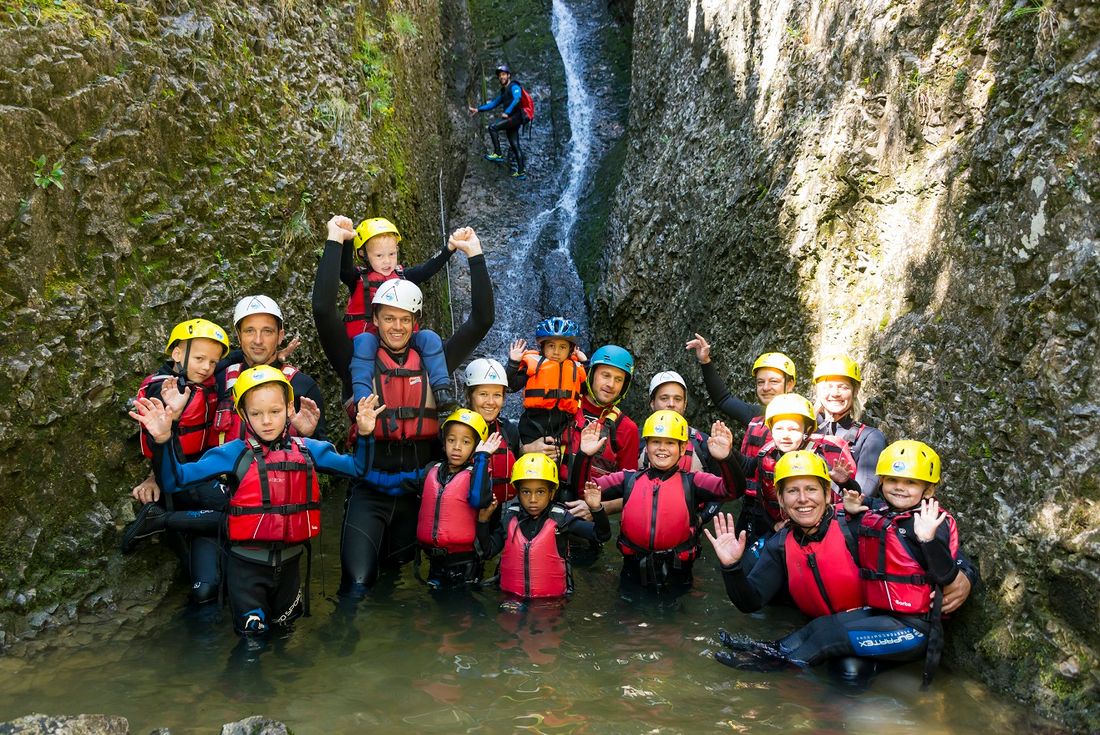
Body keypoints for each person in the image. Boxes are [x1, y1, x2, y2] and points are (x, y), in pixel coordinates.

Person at [312, 216, 494, 599]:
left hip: (417, 491)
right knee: (357, 587)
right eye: (389, 318)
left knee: (395, 591)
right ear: (374, 320)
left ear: (416, 322)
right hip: (368, 490)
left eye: (405, 320)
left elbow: (481, 320)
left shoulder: (434, 361)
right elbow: (323, 313)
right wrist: (334, 240)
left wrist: (474, 255)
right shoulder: (354, 362)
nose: (397, 327)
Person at [129, 366, 384, 637]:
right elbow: (174, 480)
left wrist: (366, 435)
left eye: (274, 411)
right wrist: (163, 440)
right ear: (243, 415)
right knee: (252, 645)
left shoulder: (309, 450)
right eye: (256, 413)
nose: (266, 421)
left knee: (284, 634)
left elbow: (359, 469)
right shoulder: (233, 454)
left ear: (288, 408)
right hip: (246, 570)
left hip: (289, 569)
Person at [712, 440, 965, 687]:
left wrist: (962, 572)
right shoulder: (782, 542)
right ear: (780, 498)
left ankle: (767, 666)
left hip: (911, 628)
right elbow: (750, 601)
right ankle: (767, 651)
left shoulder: (874, 523)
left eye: (811, 489)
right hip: (872, 619)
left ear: (826, 494)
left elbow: (948, 561)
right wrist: (731, 567)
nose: (802, 499)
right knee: (821, 627)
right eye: (792, 491)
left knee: (837, 651)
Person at [122, 318, 229, 605]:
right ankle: (163, 520)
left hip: (197, 477)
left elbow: (237, 358)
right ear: (177, 354)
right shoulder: (162, 389)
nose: (207, 367)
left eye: (212, 361)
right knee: (241, 511)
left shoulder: (203, 379)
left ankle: (163, 522)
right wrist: (155, 474)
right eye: (199, 358)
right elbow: (159, 437)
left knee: (206, 591)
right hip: (179, 478)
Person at [575, 411, 745, 592]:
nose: (662, 448)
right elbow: (585, 491)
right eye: (655, 441)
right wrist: (584, 455)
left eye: (670, 443)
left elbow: (733, 491)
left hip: (678, 573)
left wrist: (726, 459)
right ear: (646, 447)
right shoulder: (628, 479)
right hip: (633, 571)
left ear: (682, 448)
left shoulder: (693, 482)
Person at [345, 217, 458, 413]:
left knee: (430, 338)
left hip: (403, 338)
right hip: (373, 337)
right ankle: (363, 400)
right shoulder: (357, 278)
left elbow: (427, 269)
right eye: (379, 255)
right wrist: (345, 241)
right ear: (363, 254)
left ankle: (441, 390)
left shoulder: (403, 276)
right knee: (364, 342)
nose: (387, 261)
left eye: (392, 253)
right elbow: (343, 269)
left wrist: (448, 249)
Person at [476, 453, 610, 600]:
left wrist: (597, 509)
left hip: (551, 602)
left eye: (540, 492)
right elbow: (488, 552)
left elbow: (601, 535)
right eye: (526, 492)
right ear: (518, 493)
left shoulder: (561, 519)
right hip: (511, 599)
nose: (533, 500)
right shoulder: (509, 518)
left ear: (551, 493)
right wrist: (483, 520)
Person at [737, 393, 857, 544]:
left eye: (793, 429)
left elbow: (854, 497)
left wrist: (845, 482)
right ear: (771, 429)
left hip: (825, 532)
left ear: (806, 429)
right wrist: (773, 525)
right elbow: (762, 500)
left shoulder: (825, 454)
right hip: (781, 530)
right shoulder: (766, 454)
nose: (785, 435)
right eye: (779, 428)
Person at [209, 295, 328, 446]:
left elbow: (325, 456)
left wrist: (309, 435)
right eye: (249, 331)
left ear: (280, 336)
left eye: (267, 331)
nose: (258, 340)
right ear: (239, 336)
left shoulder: (302, 386)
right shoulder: (220, 379)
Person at [416, 409, 500, 589]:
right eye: (451, 440)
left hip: (465, 564)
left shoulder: (477, 475)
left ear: (476, 445)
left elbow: (478, 500)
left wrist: (482, 457)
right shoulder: (432, 470)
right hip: (435, 561)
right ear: (444, 442)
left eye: (466, 442)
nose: (457, 447)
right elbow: (398, 482)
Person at [685, 334, 796, 458]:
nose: (765, 387)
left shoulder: (804, 419)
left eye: (774, 381)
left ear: (790, 385)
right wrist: (705, 361)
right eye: (760, 382)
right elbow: (723, 399)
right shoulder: (755, 415)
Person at [812, 355, 887, 498]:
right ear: (818, 390)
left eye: (843, 387)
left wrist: (845, 483)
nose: (835, 393)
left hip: (844, 516)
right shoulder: (804, 430)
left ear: (855, 391)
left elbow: (865, 493)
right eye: (828, 386)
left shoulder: (870, 438)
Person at [506, 317, 586, 446]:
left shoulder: (577, 368)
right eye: (551, 346)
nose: (556, 352)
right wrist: (513, 363)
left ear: (570, 349)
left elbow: (588, 391)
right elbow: (509, 387)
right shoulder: (534, 364)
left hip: (563, 430)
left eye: (562, 347)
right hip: (532, 428)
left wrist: (585, 363)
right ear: (543, 347)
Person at [463, 358, 521, 520]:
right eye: (483, 394)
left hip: (496, 516)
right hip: (459, 517)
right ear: (469, 395)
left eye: (497, 395)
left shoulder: (509, 431)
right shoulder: (455, 430)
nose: (490, 402)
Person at [467, 63, 531, 179]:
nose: (501, 77)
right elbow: (493, 104)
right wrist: (478, 109)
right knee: (515, 145)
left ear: (508, 75)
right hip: (512, 120)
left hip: (515, 117)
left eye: (503, 74)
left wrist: (508, 111)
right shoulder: (504, 92)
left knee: (492, 127)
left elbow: (518, 98)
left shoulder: (514, 86)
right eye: (500, 75)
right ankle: (521, 173)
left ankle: (498, 154)